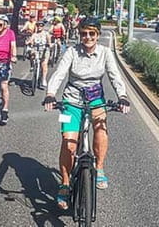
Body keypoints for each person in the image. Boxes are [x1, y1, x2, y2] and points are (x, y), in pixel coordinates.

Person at [42, 17, 130, 210]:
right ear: (79, 34)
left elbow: (115, 76)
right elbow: (59, 73)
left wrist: (122, 96)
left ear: (98, 35)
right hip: (71, 101)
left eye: (91, 33)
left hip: (95, 98)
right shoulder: (72, 52)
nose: (87, 37)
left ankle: (99, 167)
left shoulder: (105, 53)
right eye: (83, 33)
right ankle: (65, 184)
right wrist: (50, 94)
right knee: (68, 142)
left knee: (101, 127)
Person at [25, 20, 52, 89]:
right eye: (38, 25)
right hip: (36, 49)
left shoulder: (46, 34)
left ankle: (43, 79)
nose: (39, 27)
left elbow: (49, 41)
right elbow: (31, 40)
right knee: (31, 53)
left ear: (43, 27)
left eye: (41, 25)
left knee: (44, 64)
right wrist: (28, 42)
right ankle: (32, 66)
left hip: (44, 50)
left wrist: (49, 44)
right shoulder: (34, 34)